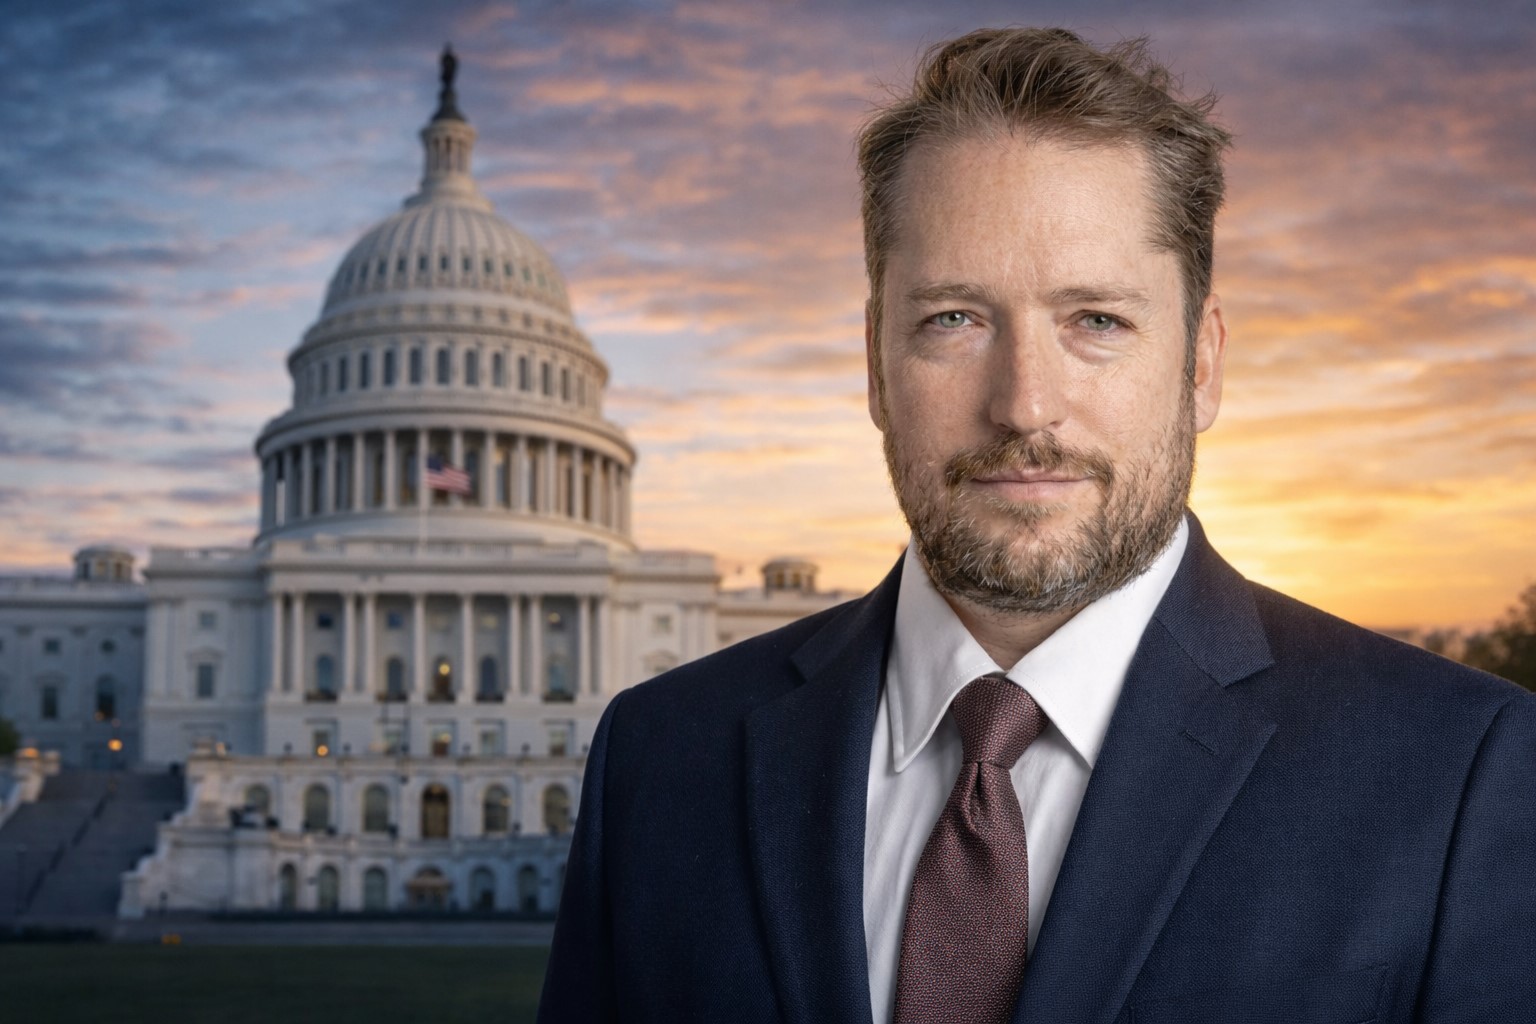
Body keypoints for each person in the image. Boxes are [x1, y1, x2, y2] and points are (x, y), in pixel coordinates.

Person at [538, 27, 1536, 1023]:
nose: (1024, 405)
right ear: (876, 364)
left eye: (1095, 320)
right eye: (954, 320)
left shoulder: (1456, 773)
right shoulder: (665, 757)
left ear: (1202, 363)